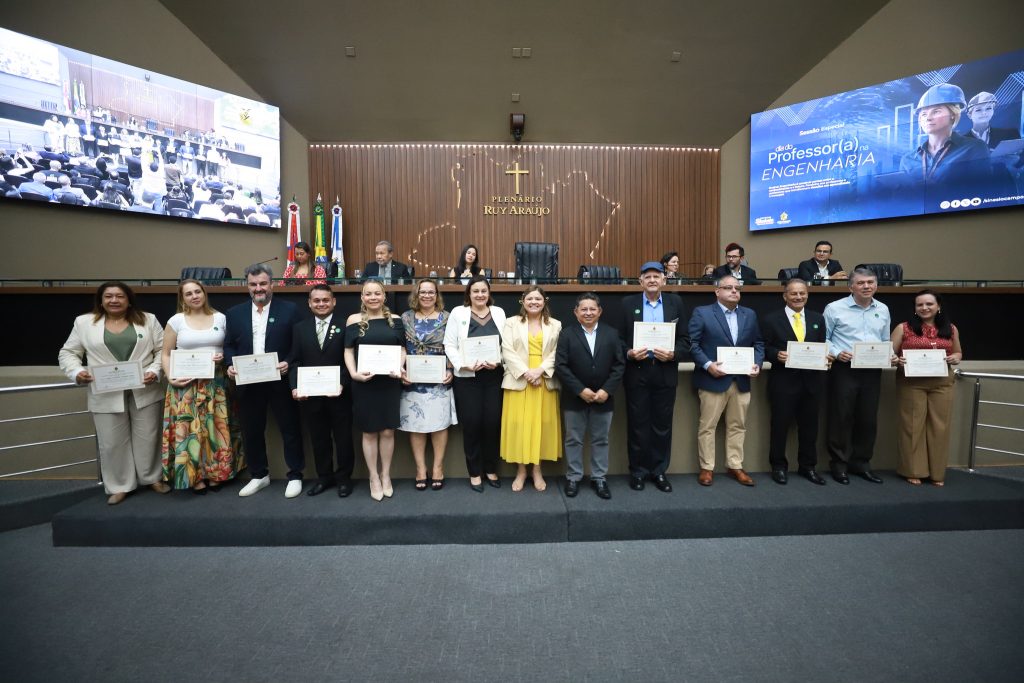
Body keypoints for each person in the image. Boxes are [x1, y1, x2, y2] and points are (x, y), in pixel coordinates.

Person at [58, 282, 171, 505]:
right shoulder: (84, 323)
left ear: (129, 300)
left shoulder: (148, 320)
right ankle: (120, 486)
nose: (114, 300)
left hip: (145, 388)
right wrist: (77, 372)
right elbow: (68, 353)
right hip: (105, 391)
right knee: (111, 441)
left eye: (120, 296)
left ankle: (152, 478)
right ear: (101, 301)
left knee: (149, 436)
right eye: (108, 296)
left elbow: (162, 350)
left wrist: (154, 371)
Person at [224, 264, 305, 498]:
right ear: (247, 286)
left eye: (262, 283)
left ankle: (295, 475)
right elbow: (229, 345)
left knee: (290, 429)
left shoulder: (290, 310)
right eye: (253, 284)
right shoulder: (234, 313)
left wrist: (288, 361)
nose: (258, 288)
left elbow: (298, 344)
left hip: (280, 380)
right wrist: (229, 364)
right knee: (252, 430)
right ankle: (259, 475)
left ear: (272, 284)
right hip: (248, 382)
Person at [159, 279, 243, 493]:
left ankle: (216, 473)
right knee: (189, 431)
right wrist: (170, 377)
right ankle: (194, 476)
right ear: (182, 298)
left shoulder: (221, 318)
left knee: (215, 428)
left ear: (204, 293)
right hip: (185, 385)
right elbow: (166, 353)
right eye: (188, 294)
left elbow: (230, 346)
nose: (194, 296)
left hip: (216, 383)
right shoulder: (176, 321)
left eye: (198, 291)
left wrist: (223, 356)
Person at [618, 261, 690, 492]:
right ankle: (638, 472)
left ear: (664, 280)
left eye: (656, 276)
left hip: (665, 372)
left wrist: (674, 354)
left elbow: (685, 339)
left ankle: (659, 471)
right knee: (637, 425)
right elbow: (618, 339)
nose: (652, 280)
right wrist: (629, 353)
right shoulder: (627, 304)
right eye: (647, 276)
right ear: (640, 281)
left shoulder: (675, 303)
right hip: (637, 372)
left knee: (662, 425)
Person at [824, 266, 897, 485]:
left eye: (870, 282)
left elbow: (885, 340)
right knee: (841, 418)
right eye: (861, 283)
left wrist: (890, 354)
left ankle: (861, 464)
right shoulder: (834, 308)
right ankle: (839, 465)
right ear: (851, 287)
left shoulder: (882, 309)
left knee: (868, 419)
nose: (866, 286)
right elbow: (823, 338)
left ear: (876, 285)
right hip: (844, 369)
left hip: (872, 370)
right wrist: (837, 352)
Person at [689, 275, 764, 486]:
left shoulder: (749, 314)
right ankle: (707, 468)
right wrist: (708, 365)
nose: (734, 291)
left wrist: (757, 363)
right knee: (707, 427)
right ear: (717, 291)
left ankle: (735, 465)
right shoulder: (702, 313)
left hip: (741, 380)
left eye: (737, 288)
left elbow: (758, 343)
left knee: (738, 426)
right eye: (728, 288)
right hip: (712, 380)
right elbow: (693, 344)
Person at [555, 292, 625, 499]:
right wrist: (580, 390)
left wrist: (606, 390)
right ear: (576, 312)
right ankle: (573, 477)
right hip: (574, 397)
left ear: (599, 311)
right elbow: (561, 366)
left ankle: (599, 478)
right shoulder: (567, 334)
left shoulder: (611, 334)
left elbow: (619, 365)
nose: (588, 312)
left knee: (601, 440)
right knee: (573, 440)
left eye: (592, 309)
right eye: (583, 309)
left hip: (603, 398)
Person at [759, 279, 828, 485]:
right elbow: (763, 347)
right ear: (785, 296)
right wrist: (775, 354)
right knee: (779, 426)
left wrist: (825, 357)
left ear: (807, 294)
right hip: (783, 382)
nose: (799, 297)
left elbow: (821, 344)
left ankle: (808, 467)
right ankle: (778, 467)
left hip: (812, 382)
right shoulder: (771, 319)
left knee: (810, 428)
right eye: (794, 293)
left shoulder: (817, 319)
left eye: (802, 293)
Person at [290, 284, 356, 497]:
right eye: (316, 300)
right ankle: (324, 477)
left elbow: (352, 359)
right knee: (319, 439)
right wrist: (295, 386)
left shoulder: (345, 325)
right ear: (309, 303)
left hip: (340, 394)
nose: (321, 304)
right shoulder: (299, 328)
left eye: (325, 300)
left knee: (343, 439)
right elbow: (295, 361)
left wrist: (342, 383)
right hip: (311, 397)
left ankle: (344, 479)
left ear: (333, 302)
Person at [892, 290, 962, 486]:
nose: (924, 308)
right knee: (913, 427)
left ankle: (937, 473)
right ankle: (913, 470)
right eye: (920, 304)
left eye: (929, 304)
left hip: (942, 382)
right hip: (911, 383)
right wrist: (896, 359)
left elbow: (958, 352)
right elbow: (889, 354)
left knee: (940, 427)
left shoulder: (951, 328)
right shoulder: (903, 328)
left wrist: (955, 358)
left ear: (938, 306)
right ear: (915, 308)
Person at [444, 275, 507, 492]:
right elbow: (449, 344)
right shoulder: (458, 313)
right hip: (467, 379)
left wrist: (498, 361)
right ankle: (474, 472)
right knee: (471, 424)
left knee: (492, 423)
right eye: (475, 291)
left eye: (483, 291)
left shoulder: (499, 313)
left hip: (493, 377)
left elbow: (506, 344)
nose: (480, 295)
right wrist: (463, 365)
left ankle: (490, 469)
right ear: (469, 294)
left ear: (489, 293)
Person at [344, 280, 406, 501]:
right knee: (369, 432)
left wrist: (399, 367)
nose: (373, 298)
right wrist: (354, 374)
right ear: (362, 297)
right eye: (368, 294)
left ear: (384, 296)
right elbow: (348, 351)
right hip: (364, 384)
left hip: (389, 383)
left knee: (388, 431)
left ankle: (386, 475)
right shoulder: (353, 320)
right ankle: (373, 477)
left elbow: (402, 348)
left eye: (377, 293)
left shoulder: (396, 320)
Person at [500, 285, 562, 492]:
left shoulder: (556, 324)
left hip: (544, 379)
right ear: (523, 301)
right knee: (519, 426)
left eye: (538, 299)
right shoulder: (511, 323)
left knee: (541, 426)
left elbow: (557, 352)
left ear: (544, 302)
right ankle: (521, 471)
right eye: (530, 299)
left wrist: (539, 371)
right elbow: (507, 350)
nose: (534, 302)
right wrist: (527, 372)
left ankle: (536, 470)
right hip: (519, 379)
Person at [399, 279, 456, 490]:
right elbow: (401, 346)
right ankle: (420, 469)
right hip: (412, 379)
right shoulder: (406, 317)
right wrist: (400, 369)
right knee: (417, 425)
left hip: (439, 381)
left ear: (437, 295)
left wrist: (451, 370)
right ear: (416, 294)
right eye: (422, 292)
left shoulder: (448, 318)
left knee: (439, 425)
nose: (427, 296)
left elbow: (453, 346)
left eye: (431, 292)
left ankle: (438, 468)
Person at [899, 83, 991, 201]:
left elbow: (983, 192)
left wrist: (941, 190)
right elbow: (901, 200)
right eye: (924, 114)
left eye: (936, 111)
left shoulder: (974, 148)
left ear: (953, 114)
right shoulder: (907, 159)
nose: (928, 118)